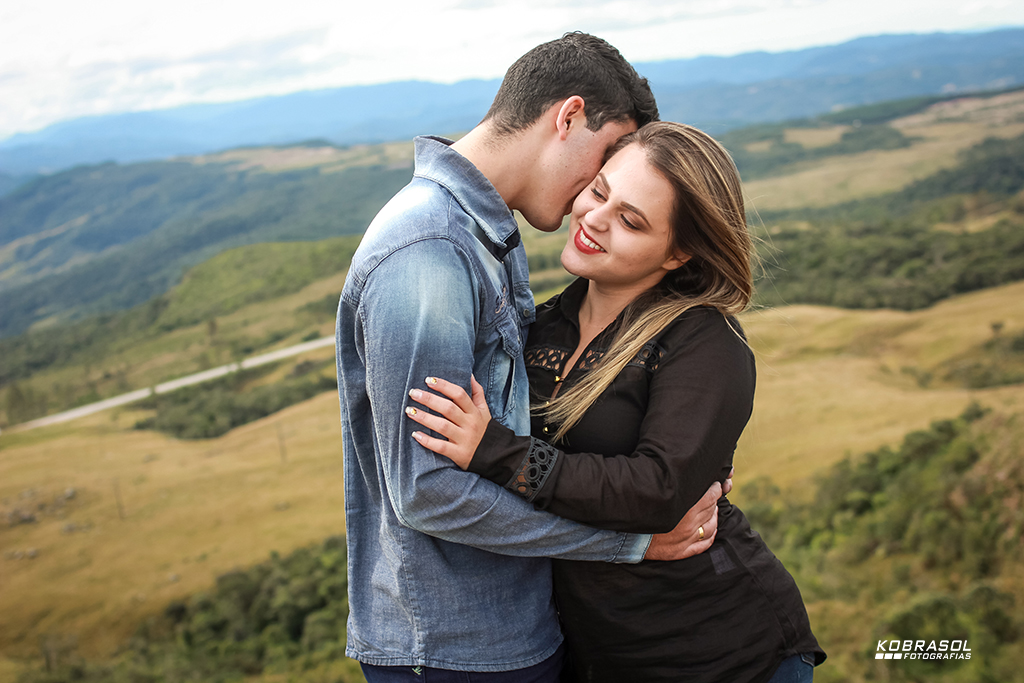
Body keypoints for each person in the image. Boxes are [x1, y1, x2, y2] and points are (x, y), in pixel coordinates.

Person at [336, 34, 729, 682]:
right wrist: (629, 542)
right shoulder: (430, 250)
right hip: (455, 646)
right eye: (605, 160)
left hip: (510, 627)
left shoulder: (486, 233)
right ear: (569, 117)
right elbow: (426, 492)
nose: (587, 205)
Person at [405, 121, 826, 682]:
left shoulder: (704, 341)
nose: (595, 219)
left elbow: (657, 492)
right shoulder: (540, 327)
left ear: (678, 253)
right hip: (597, 656)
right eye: (599, 191)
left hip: (726, 654)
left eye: (631, 221)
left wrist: (497, 452)